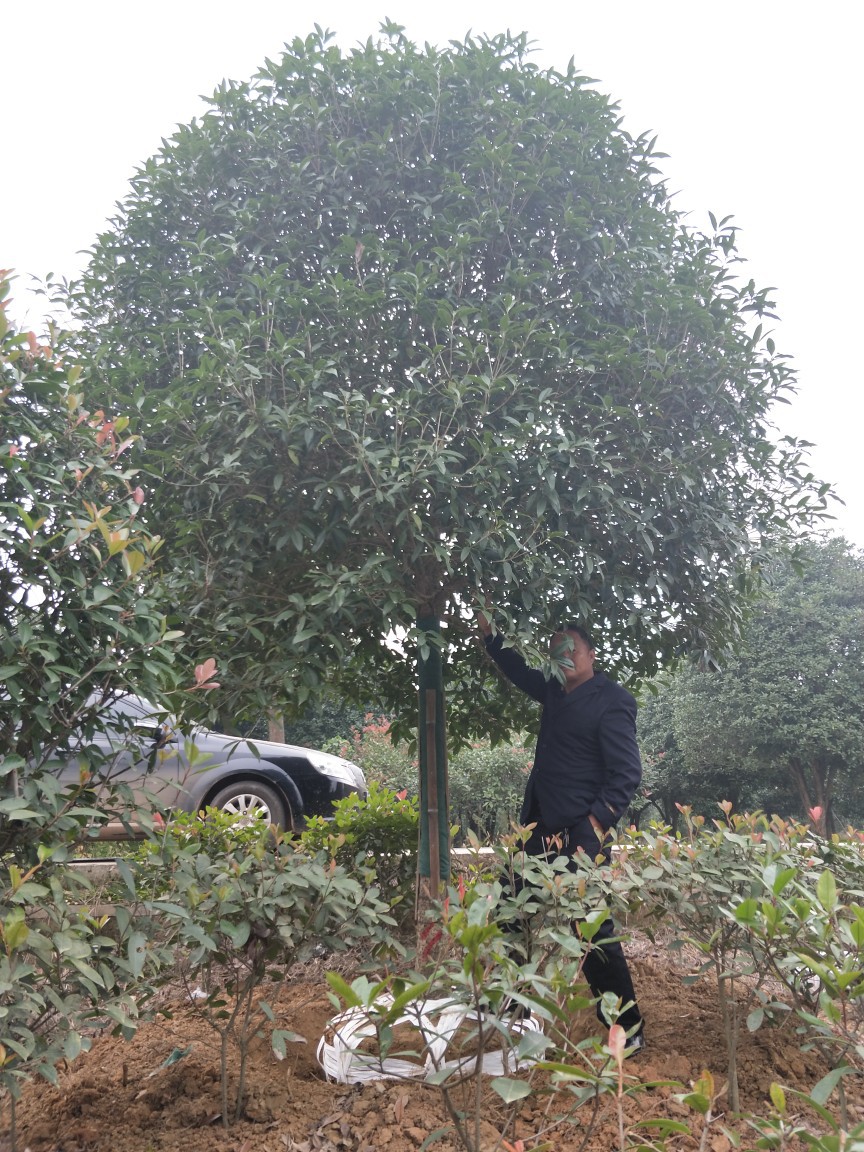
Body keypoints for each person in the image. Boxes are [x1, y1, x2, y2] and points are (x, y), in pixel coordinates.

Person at [478, 612, 645, 1052]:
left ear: (591, 653)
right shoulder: (553, 690)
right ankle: (509, 1009)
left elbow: (627, 773)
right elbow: (518, 671)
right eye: (557, 650)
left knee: (592, 929)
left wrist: (594, 823)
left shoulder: (613, 700)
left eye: (572, 648)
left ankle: (625, 1026)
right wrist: (490, 635)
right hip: (538, 826)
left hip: (581, 834)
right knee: (510, 909)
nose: (564, 656)